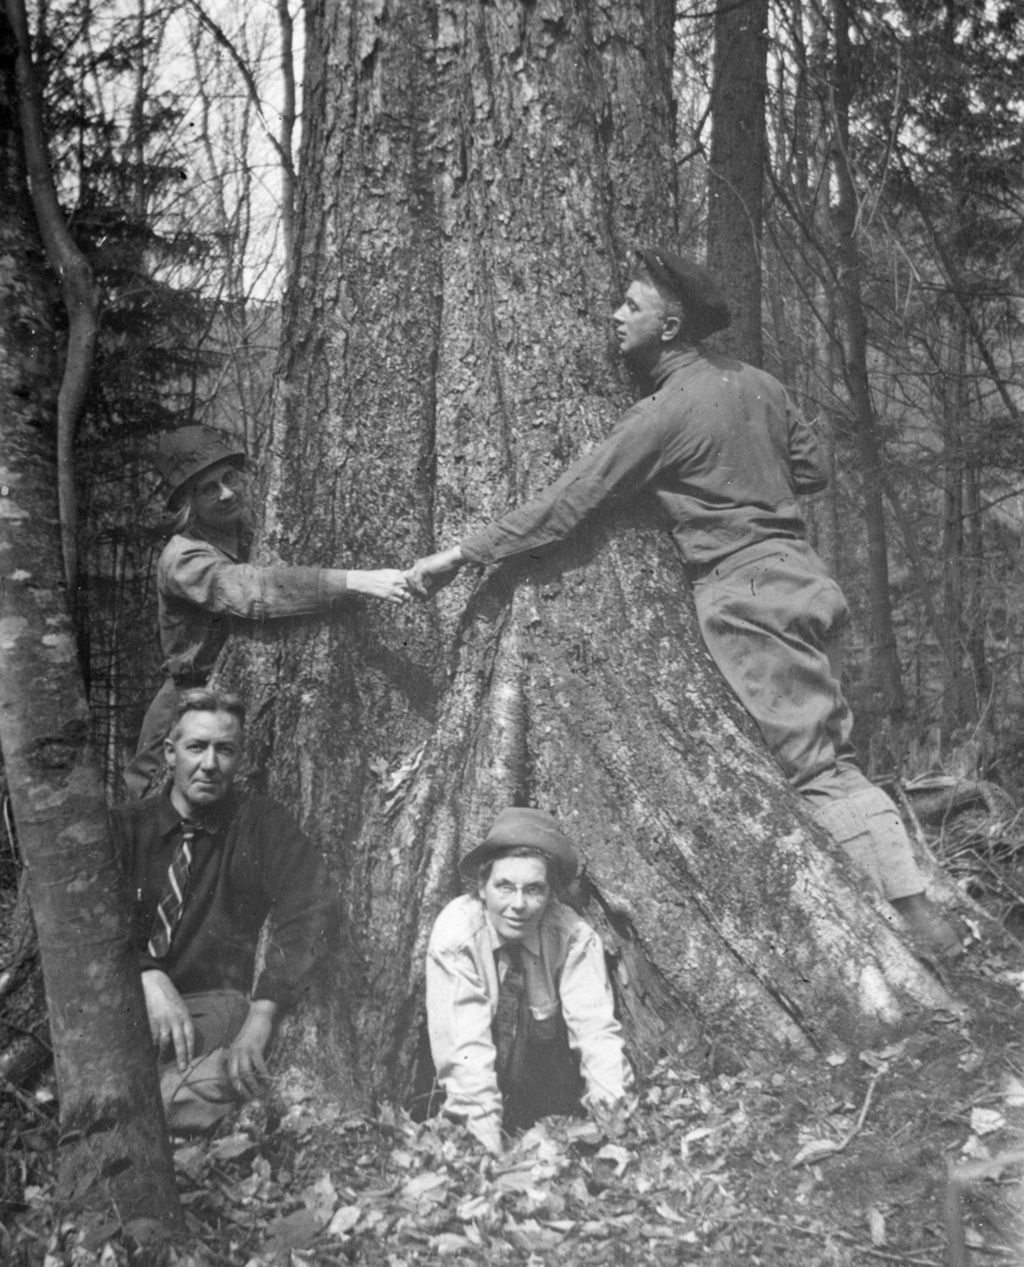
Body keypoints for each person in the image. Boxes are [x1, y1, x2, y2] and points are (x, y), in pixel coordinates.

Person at [409, 248, 963, 959]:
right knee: (832, 749)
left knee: (814, 769)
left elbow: (568, 504)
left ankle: (908, 927)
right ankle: (909, 916)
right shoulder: (760, 382)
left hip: (748, 596)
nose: (614, 316)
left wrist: (463, 552)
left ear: (670, 325)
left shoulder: (664, 412)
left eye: (631, 307)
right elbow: (814, 470)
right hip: (806, 580)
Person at [124, 424, 410, 797]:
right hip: (185, 699)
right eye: (209, 488)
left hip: (236, 695)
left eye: (230, 478)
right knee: (150, 801)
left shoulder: (253, 529)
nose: (226, 493)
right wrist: (353, 581)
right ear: (188, 503)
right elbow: (252, 591)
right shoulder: (183, 556)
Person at [113, 688, 330, 1132]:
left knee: (218, 1069)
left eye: (224, 750)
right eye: (196, 747)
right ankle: (160, 1103)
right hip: (129, 1002)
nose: (210, 764)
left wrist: (263, 1013)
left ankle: (150, 1107)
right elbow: (87, 923)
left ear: (240, 757)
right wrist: (146, 973)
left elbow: (313, 903)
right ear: (171, 753)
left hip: (215, 1009)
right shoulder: (125, 828)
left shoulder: (258, 824)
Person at [426, 807, 633, 1154]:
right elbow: (465, 1054)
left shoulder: (571, 937)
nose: (518, 905)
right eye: (505, 887)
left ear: (550, 893)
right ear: (482, 887)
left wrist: (616, 1128)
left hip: (545, 1102)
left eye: (533, 889)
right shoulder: (457, 937)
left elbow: (597, 1035)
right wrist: (485, 1151)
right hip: (474, 1098)